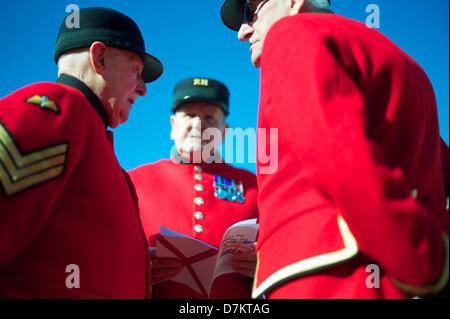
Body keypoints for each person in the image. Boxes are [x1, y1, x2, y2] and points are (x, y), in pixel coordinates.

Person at [220, 0, 449, 298]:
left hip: (330, 276)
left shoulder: (293, 32)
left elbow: (336, 156)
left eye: (251, 11)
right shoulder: (406, 64)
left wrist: (423, 260)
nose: (243, 32)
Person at [0, 7, 163, 298]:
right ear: (99, 58)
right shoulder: (58, 107)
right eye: (137, 70)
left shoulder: (92, 133)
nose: (143, 89)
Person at [129, 77, 259, 298]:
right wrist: (134, 269)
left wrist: (266, 264)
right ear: (172, 126)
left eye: (209, 117)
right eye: (189, 115)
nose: (198, 125)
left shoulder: (255, 185)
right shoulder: (133, 179)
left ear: (224, 131)